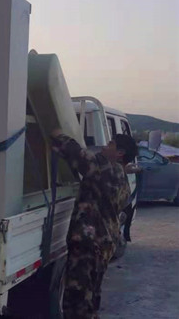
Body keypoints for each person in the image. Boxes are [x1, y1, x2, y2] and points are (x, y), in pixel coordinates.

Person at [51, 130, 137, 319]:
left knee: (77, 301)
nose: (105, 145)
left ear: (120, 153)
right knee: (90, 296)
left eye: (111, 143)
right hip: (103, 244)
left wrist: (58, 134)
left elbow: (77, 154)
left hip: (89, 245)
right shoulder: (121, 178)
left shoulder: (106, 170)